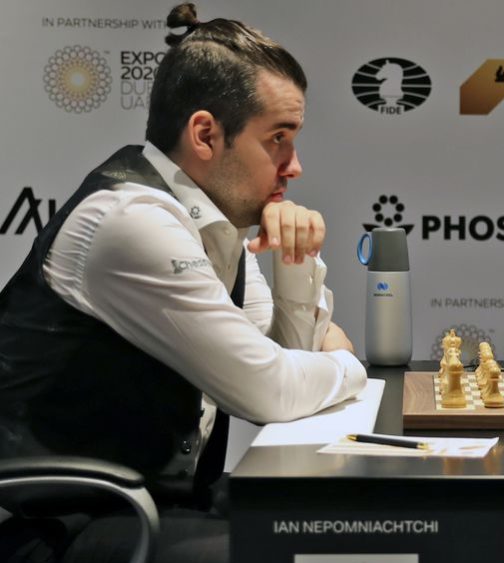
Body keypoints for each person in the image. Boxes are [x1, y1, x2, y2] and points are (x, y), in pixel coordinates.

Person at [0, 3, 366, 561]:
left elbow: (281, 362)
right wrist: (349, 367)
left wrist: (295, 261)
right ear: (205, 134)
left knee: (341, 525)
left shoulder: (216, 224)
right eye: (278, 138)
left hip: (155, 503)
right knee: (298, 550)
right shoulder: (132, 222)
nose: (294, 166)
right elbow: (270, 389)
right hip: (56, 524)